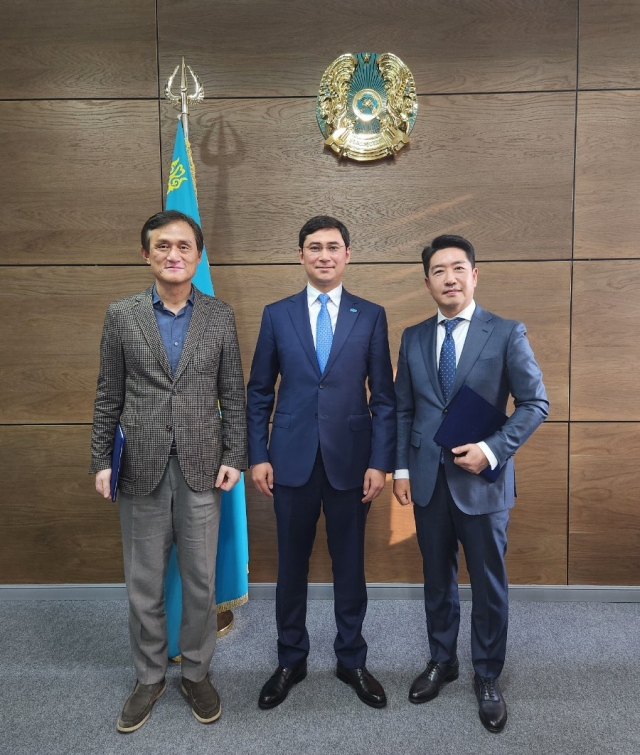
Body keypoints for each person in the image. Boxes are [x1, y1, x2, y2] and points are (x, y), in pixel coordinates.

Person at [90, 210, 246, 733]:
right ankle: (149, 676)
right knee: (144, 582)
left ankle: (196, 673)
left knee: (200, 582)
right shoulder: (122, 314)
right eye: (162, 247)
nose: (173, 254)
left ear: (198, 256)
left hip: (204, 466)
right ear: (146, 255)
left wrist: (234, 455)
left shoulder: (220, 316)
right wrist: (99, 461)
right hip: (139, 467)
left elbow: (234, 395)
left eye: (183, 246)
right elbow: (108, 393)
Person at [393, 234, 548, 733]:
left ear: (475, 274)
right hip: (427, 480)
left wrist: (492, 449)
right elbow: (403, 410)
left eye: (458, 268)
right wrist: (399, 468)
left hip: (482, 482)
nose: (449, 278)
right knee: (436, 579)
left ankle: (486, 674)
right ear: (427, 282)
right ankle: (443, 660)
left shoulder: (505, 333)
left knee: (488, 584)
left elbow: (534, 404)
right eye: (439, 271)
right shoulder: (413, 337)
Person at [246, 215, 396, 710]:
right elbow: (259, 392)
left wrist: (381, 461)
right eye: (315, 247)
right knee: (290, 566)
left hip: (353, 464)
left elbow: (385, 398)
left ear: (348, 255)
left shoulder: (370, 315)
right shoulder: (277, 314)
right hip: (288, 462)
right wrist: (258, 455)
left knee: (349, 566)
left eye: (334, 246)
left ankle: (351, 658)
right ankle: (291, 658)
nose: (324, 255)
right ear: (301, 255)